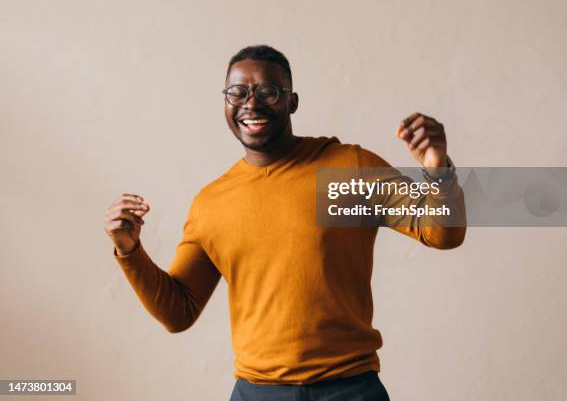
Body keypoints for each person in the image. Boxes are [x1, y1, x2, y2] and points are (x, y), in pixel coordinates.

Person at [104, 45, 466, 401]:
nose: (251, 103)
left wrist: (437, 167)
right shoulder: (212, 203)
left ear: (292, 102)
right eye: (237, 92)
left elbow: (441, 232)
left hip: (350, 389)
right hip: (256, 392)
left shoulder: (343, 169)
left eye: (268, 91)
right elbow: (178, 313)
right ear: (225, 103)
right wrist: (129, 250)